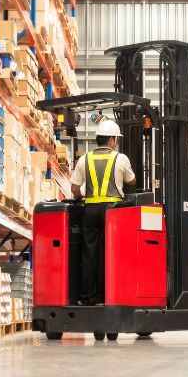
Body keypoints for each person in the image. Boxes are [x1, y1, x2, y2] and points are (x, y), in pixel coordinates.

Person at [69, 119, 136, 305]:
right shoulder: (120, 158)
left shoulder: (84, 159)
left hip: (89, 210)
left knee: (89, 254)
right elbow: (132, 180)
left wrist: (83, 194)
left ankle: (85, 297)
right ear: (112, 140)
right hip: (113, 213)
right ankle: (105, 296)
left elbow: (74, 189)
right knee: (109, 253)